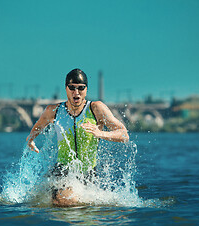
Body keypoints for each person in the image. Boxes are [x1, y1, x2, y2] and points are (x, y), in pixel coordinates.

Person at [26, 68, 129, 206]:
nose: (76, 93)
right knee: (56, 200)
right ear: (66, 88)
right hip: (61, 171)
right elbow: (38, 127)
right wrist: (31, 140)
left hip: (89, 174)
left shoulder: (96, 109)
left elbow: (124, 134)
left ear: (86, 89)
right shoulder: (54, 111)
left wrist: (101, 134)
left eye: (81, 88)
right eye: (72, 88)